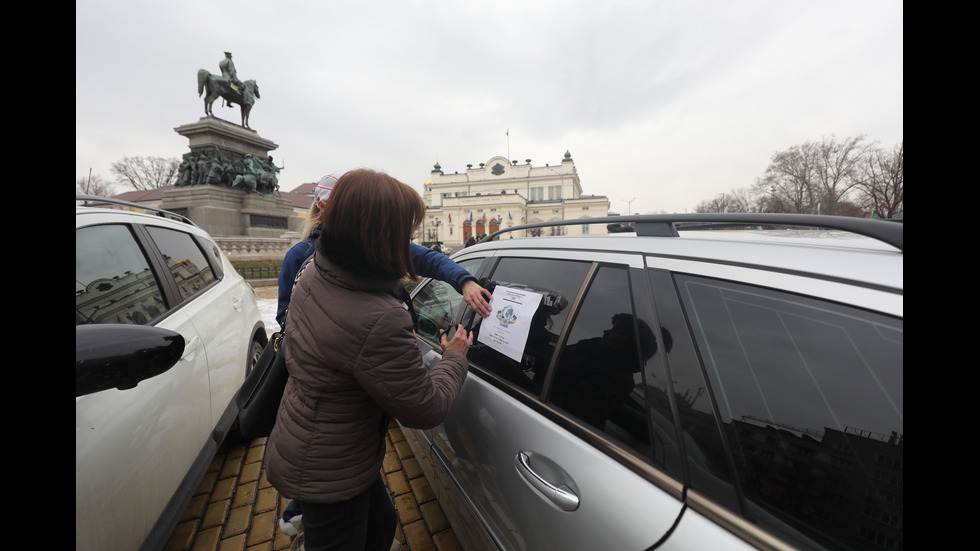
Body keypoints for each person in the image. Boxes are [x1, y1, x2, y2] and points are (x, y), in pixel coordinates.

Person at [267, 169, 481, 551]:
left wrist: (462, 279)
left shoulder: (315, 267)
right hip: (331, 464)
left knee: (380, 525)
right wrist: (453, 358)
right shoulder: (378, 318)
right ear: (380, 234)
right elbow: (425, 408)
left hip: (317, 437)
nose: (410, 239)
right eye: (405, 230)